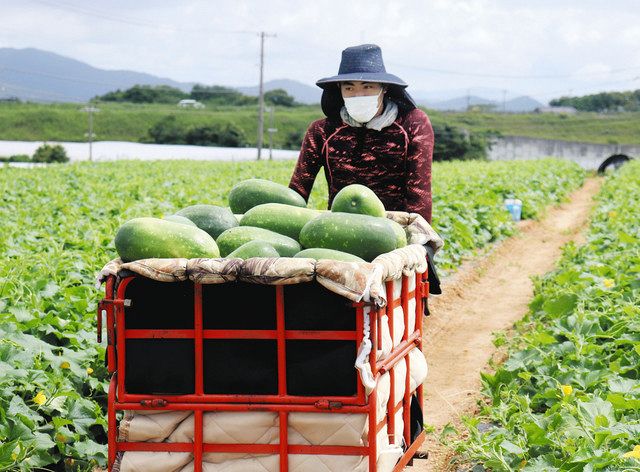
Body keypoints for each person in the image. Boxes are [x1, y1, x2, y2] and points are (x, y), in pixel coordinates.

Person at [289, 43, 434, 224]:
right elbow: (297, 192)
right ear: (340, 90)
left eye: (367, 87)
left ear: (384, 88)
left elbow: (420, 194)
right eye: (349, 88)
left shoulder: (413, 124)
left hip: (396, 232)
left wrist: (421, 244)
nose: (358, 95)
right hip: (340, 228)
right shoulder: (322, 132)